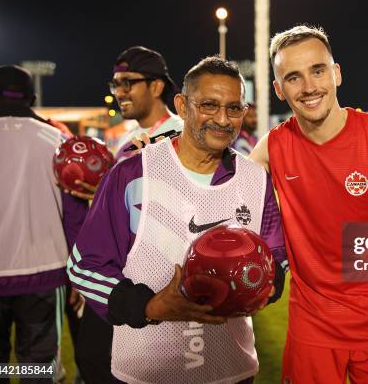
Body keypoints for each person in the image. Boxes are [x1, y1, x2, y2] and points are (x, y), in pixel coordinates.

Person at [68, 56, 288, 383]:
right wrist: (150, 306)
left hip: (231, 371)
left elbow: (276, 260)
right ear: (182, 106)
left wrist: (259, 288)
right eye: (209, 106)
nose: (223, 120)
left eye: (234, 108)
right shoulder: (132, 174)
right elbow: (84, 265)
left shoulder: (255, 179)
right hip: (146, 374)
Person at [249, 25, 368, 383]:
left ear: (336, 73)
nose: (308, 87)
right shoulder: (273, 148)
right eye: (293, 77)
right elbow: (216, 184)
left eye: (317, 70)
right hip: (312, 325)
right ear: (278, 89)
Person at [0, 65, 88, 381]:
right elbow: (75, 215)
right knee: (38, 371)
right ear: (32, 98)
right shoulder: (57, 141)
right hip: (43, 274)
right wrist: (78, 274)